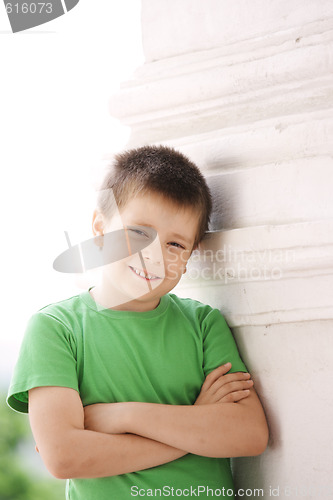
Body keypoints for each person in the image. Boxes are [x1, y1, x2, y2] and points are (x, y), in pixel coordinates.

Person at [7, 145, 268, 499]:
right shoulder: (56, 329)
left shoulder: (203, 324)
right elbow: (65, 456)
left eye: (176, 244)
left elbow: (249, 434)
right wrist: (194, 429)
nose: (154, 256)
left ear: (191, 256)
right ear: (100, 230)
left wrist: (122, 417)